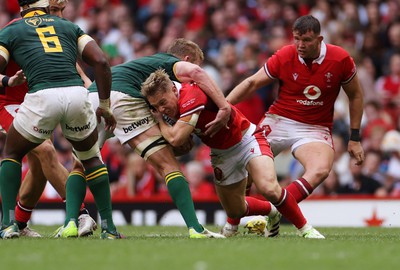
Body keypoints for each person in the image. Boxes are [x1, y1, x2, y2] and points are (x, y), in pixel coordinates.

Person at [64, 38, 229, 239]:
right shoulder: (170, 63)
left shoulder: (140, 66)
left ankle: (73, 224)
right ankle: (195, 228)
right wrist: (224, 106)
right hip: (124, 97)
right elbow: (197, 73)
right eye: (195, 63)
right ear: (187, 58)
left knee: (80, 165)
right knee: (168, 165)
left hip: (91, 98)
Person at [141, 68, 325, 239]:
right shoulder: (170, 107)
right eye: (156, 107)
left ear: (173, 89)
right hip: (221, 154)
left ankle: (306, 230)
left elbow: (176, 139)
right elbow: (182, 143)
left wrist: (160, 121)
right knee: (235, 210)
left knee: (269, 188)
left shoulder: (191, 95)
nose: (162, 109)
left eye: (163, 103)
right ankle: (273, 211)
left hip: (247, 140)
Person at [226, 15, 365, 236]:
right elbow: (252, 82)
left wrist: (355, 137)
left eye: (307, 40)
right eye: (297, 39)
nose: (300, 45)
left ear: (319, 39)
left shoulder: (340, 59)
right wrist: (225, 107)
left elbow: (356, 96)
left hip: (315, 127)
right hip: (279, 120)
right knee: (246, 166)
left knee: (320, 170)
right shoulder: (285, 55)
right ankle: (232, 225)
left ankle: (273, 211)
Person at [0, 0, 122, 239]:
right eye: (54, 10)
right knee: (47, 151)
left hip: (39, 99)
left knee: (36, 164)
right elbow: (99, 61)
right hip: (10, 102)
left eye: (60, 11)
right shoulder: (62, 28)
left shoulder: (25, 29)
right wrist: (103, 105)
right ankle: (84, 214)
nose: (56, 15)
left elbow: (76, 70)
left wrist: (93, 94)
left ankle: (17, 223)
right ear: (45, 9)